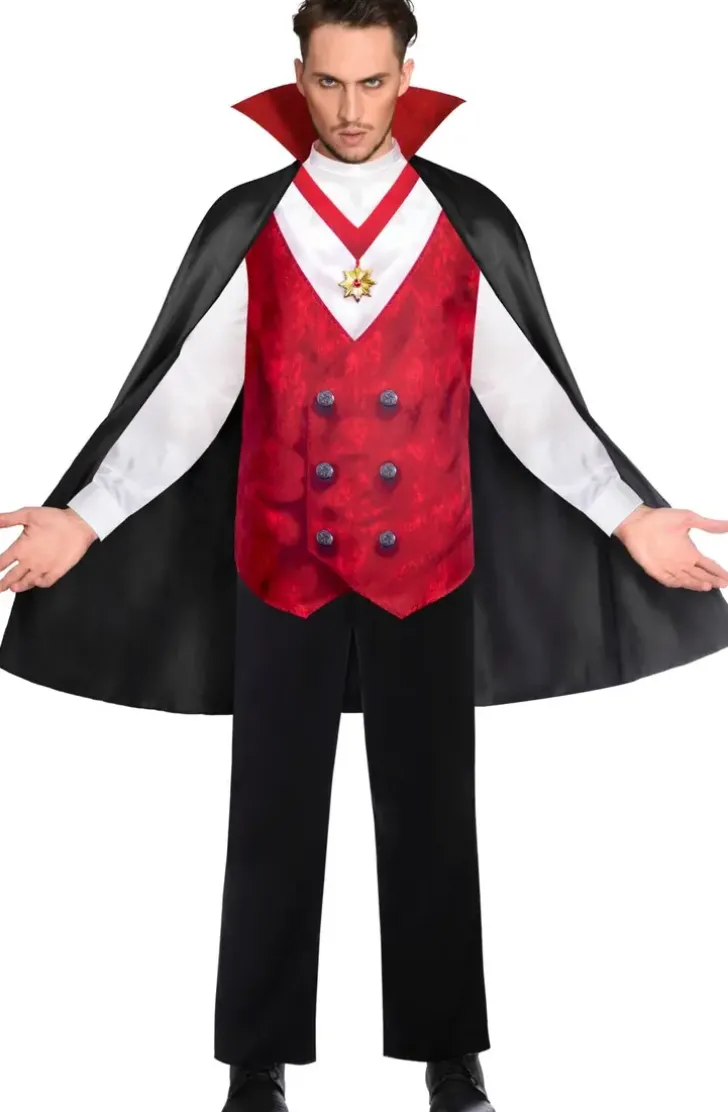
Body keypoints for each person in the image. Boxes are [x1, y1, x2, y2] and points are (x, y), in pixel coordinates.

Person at [2, 1, 728, 1109]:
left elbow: (532, 407)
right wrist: (84, 515)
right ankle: (256, 1062)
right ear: (298, 74)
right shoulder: (255, 222)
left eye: (372, 82)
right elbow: (184, 406)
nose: (350, 110)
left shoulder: (457, 219)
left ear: (406, 74)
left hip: (427, 565)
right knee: (271, 818)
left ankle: (449, 1055)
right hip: (280, 566)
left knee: (433, 816)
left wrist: (633, 517)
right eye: (330, 82)